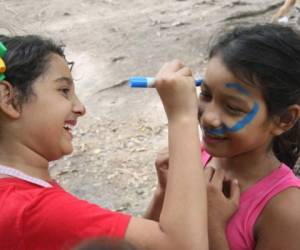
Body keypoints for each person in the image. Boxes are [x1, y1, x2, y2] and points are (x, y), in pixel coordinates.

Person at [0, 35, 208, 249]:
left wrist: (163, 196)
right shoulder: (32, 210)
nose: (80, 108)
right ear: (9, 98)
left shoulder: (18, 195)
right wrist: (182, 115)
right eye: (64, 91)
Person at [155, 23, 300, 250]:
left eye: (233, 107)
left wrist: (213, 225)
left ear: (284, 120)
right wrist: (163, 194)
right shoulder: (198, 157)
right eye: (206, 94)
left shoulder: (286, 209)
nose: (209, 118)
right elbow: (146, 241)